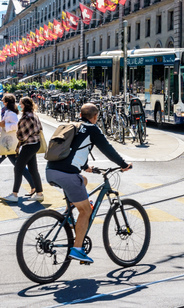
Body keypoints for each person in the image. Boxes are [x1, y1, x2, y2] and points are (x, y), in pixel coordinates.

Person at [46, 102, 132, 264]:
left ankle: (69, 214)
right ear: (95, 117)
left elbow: (73, 149)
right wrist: (123, 164)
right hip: (67, 175)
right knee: (86, 211)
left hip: (51, 170)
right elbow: (107, 149)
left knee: (83, 180)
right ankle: (78, 249)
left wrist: (86, 167)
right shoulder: (93, 129)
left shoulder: (75, 125)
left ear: (81, 114)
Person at [0, 94, 33, 196]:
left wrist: (5, 125)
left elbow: (16, 125)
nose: (2, 102)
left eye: (3, 101)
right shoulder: (6, 111)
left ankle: (34, 186)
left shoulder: (11, 113)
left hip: (8, 145)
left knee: (15, 166)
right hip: (6, 144)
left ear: (7, 102)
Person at [3, 97, 44, 202]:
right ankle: (39, 193)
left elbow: (22, 136)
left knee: (18, 168)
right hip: (35, 144)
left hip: (29, 145)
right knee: (33, 169)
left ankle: (14, 194)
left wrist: (17, 137)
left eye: (21, 104)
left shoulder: (26, 118)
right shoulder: (34, 115)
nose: (19, 106)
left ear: (25, 105)